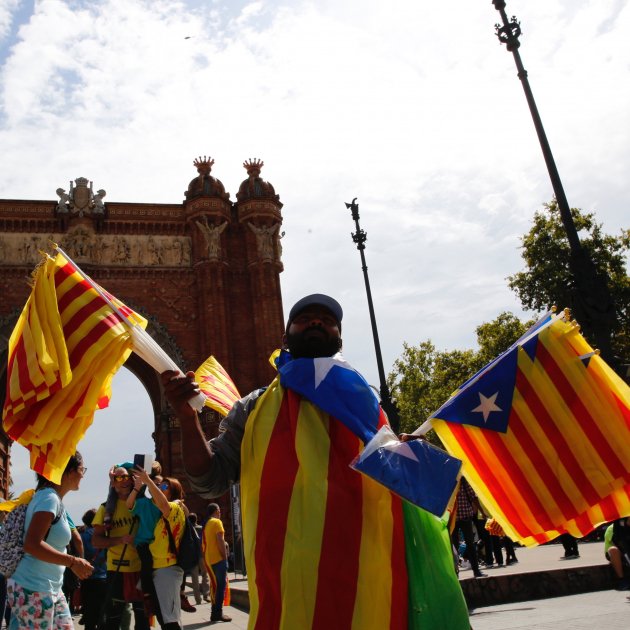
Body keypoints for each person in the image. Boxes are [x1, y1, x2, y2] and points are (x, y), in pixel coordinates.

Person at [162, 293, 470, 629]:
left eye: (327, 320)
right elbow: (210, 480)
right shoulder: (254, 408)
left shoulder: (364, 402)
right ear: (285, 337)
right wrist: (186, 418)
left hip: (365, 577)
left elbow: (394, 482)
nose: (316, 323)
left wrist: (407, 454)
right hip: (287, 583)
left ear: (339, 338)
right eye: (305, 318)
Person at [6, 452, 93, 630]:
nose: (83, 474)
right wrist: (73, 561)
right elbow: (32, 544)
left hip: (49, 588)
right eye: (81, 469)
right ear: (67, 471)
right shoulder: (49, 498)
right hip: (33, 587)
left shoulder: (52, 498)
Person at [92, 466, 149, 630]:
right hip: (116, 569)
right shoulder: (106, 508)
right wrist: (120, 540)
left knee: (143, 619)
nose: (123, 481)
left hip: (141, 568)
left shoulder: (143, 504)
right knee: (113, 619)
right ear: (113, 483)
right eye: (118, 478)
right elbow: (96, 540)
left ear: (132, 480)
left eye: (126, 477)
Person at [133, 469, 187, 630]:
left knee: (170, 621)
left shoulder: (174, 508)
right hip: (160, 568)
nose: (159, 488)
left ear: (172, 493)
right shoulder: (169, 509)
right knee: (165, 619)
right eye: (159, 485)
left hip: (167, 570)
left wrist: (148, 481)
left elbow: (163, 504)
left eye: (164, 487)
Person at [451, 476, 487, 578]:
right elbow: (473, 497)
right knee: (466, 545)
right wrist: (482, 511)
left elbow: (473, 496)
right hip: (461, 518)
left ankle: (460, 572)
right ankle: (474, 571)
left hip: (458, 518)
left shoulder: (459, 481)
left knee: (456, 546)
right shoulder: (462, 481)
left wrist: (482, 511)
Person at [79, 509, 108, 630]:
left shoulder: (82, 537)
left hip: (87, 578)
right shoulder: (104, 536)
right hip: (104, 578)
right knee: (103, 615)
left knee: (89, 617)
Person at [202, 504, 230, 623]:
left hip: (209, 559)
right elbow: (220, 540)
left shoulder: (207, 523)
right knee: (220, 587)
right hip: (218, 559)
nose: (220, 512)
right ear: (217, 511)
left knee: (215, 586)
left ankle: (215, 613)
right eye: (219, 510)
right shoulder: (217, 522)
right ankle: (218, 612)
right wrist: (225, 557)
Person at [187, 513, 210, 605]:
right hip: (202, 555)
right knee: (205, 575)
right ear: (196, 520)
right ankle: (206, 594)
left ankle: (197, 599)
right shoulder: (201, 529)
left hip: (192, 557)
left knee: (194, 578)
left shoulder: (187, 530)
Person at [605, 517, 630, 590]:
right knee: (613, 550)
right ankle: (622, 580)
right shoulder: (615, 525)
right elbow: (617, 541)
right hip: (619, 550)